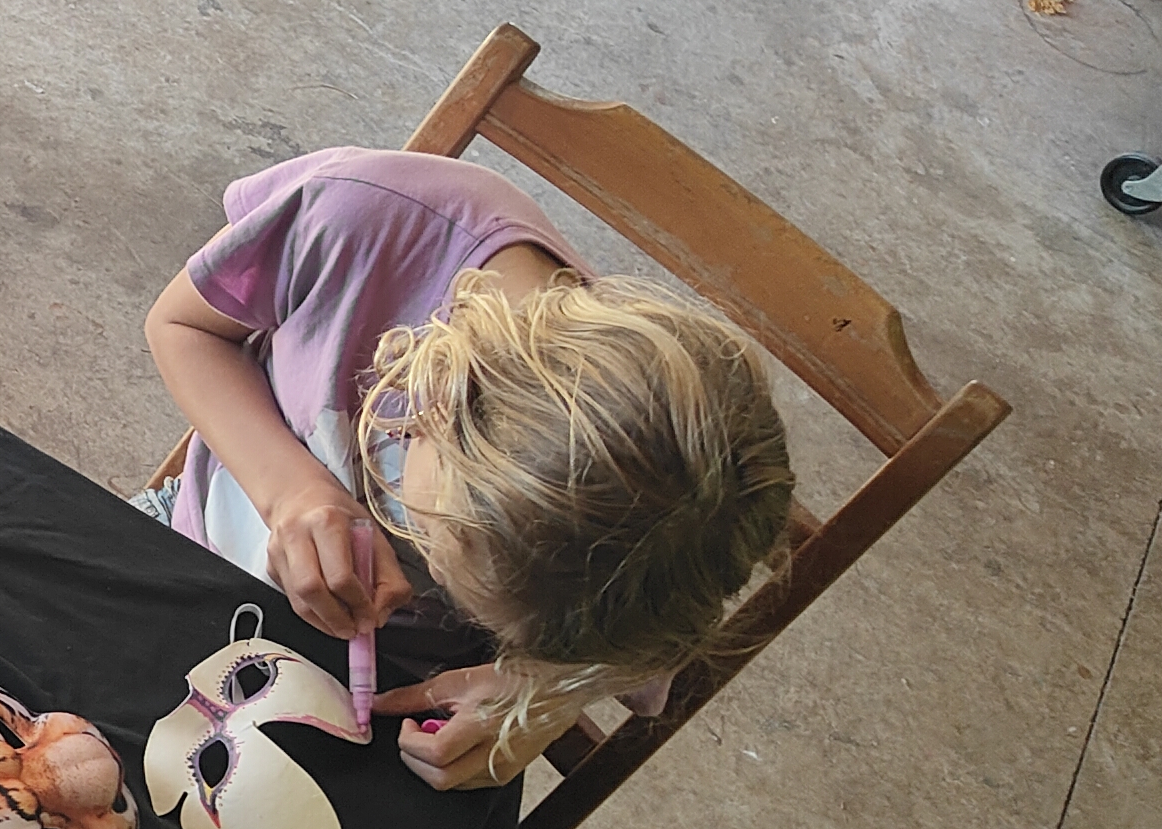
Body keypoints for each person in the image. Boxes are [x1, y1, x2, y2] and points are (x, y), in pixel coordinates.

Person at [141, 147, 795, 791]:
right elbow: (180, 326)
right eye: (432, 543)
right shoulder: (363, 219)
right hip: (194, 539)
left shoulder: (645, 548)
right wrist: (291, 490)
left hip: (413, 678)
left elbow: (620, 658)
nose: (417, 566)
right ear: (433, 387)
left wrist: (537, 696)